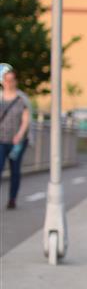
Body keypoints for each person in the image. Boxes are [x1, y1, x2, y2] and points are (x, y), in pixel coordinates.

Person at [0, 68, 31, 209]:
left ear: (15, 81)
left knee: (15, 171)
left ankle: (12, 198)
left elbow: (26, 119)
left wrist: (19, 135)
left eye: (11, 80)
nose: (8, 83)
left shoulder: (21, 99)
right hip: (1, 140)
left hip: (16, 141)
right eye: (6, 80)